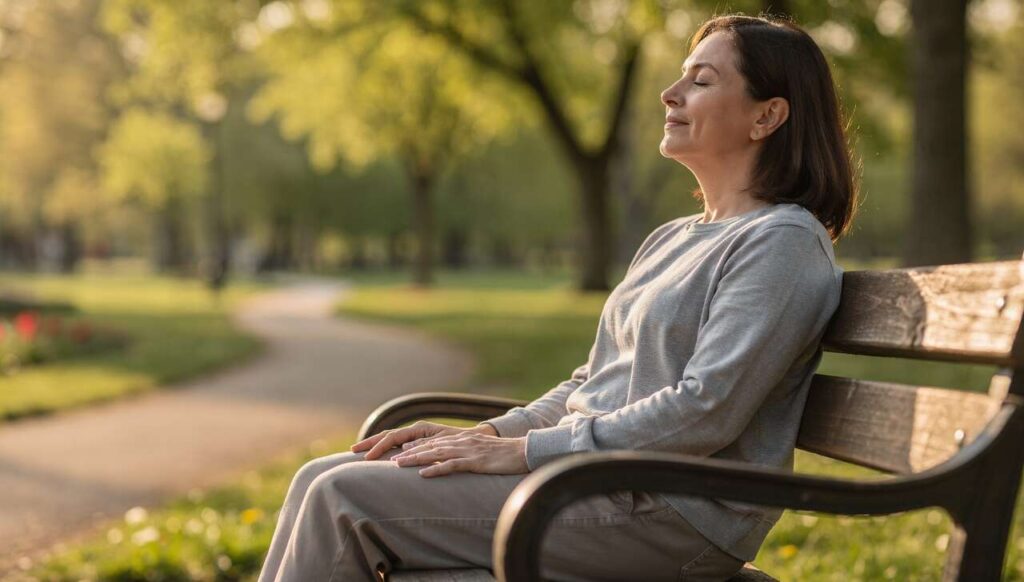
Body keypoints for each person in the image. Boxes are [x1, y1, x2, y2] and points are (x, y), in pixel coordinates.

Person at [259, 13, 856, 582]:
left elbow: (705, 410)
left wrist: (527, 452)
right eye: (680, 76)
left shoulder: (782, 243)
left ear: (767, 116)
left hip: (669, 512)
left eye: (701, 81)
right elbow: (591, 383)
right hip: (596, 485)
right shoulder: (674, 237)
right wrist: (493, 435)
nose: (670, 94)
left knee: (344, 498)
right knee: (322, 474)